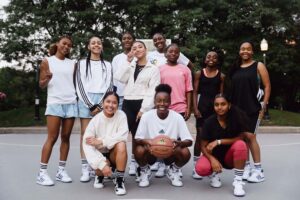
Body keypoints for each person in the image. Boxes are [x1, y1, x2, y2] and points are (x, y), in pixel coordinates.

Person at [114, 40, 160, 176]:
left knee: (138, 136)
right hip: (128, 102)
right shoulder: (131, 65)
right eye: (134, 48)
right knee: (122, 134)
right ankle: (117, 165)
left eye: (140, 47)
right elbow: (119, 77)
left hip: (143, 103)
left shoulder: (153, 68)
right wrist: (128, 61)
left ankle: (138, 164)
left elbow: (153, 90)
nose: (137, 49)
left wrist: (144, 109)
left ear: (145, 50)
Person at [36, 36, 77, 186]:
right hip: (55, 103)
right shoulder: (47, 61)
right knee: (52, 138)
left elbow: (75, 82)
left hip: (71, 103)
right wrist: (46, 78)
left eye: (69, 45)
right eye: (64, 43)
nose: (66, 46)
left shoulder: (73, 63)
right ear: (58, 44)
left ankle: (61, 171)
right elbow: (41, 85)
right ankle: (42, 173)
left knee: (65, 137)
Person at [134, 84, 193, 187]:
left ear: (170, 102)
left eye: (165, 101)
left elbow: (189, 141)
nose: (162, 104)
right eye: (159, 101)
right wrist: (146, 141)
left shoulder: (178, 117)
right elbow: (137, 139)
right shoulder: (146, 116)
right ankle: (145, 171)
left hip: (170, 152)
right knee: (139, 150)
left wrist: (179, 143)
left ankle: (173, 170)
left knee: (185, 152)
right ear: (154, 102)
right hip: (151, 151)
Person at [229, 41, 271, 183]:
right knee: (241, 138)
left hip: (252, 107)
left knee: (250, 137)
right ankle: (246, 167)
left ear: (252, 51)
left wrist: (264, 106)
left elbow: (267, 86)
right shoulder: (236, 68)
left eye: (248, 49)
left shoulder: (258, 65)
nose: (245, 51)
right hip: (237, 108)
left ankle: (258, 170)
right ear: (239, 51)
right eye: (242, 49)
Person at [74, 35, 114, 182]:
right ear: (89, 46)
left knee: (101, 135)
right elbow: (79, 85)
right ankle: (86, 167)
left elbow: (110, 85)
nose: (96, 45)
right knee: (85, 135)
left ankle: (99, 166)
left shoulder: (108, 65)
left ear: (101, 46)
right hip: (86, 100)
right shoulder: (81, 63)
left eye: (99, 42)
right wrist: (90, 105)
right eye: (93, 43)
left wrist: (102, 104)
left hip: (103, 99)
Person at [195, 94, 248, 197]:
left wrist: (219, 141)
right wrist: (212, 159)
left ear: (229, 105)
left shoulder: (236, 118)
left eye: (223, 104)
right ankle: (213, 174)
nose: (219, 107)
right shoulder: (209, 122)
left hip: (230, 157)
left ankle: (238, 182)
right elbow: (203, 146)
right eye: (216, 105)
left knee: (241, 145)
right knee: (201, 169)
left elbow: (241, 138)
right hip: (214, 156)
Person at [155, 43, 193, 177]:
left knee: (177, 139)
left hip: (179, 106)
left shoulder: (185, 70)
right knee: (161, 136)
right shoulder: (159, 69)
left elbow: (189, 90)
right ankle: (161, 163)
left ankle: (174, 166)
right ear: (165, 53)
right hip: (163, 107)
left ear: (179, 54)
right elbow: (156, 90)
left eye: (176, 52)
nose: (173, 54)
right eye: (170, 51)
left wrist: (189, 107)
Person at [82, 91, 128, 195]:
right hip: (100, 154)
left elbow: (123, 136)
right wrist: (102, 165)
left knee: (121, 144)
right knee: (100, 168)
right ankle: (100, 175)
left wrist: (101, 141)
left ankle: (119, 180)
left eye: (114, 103)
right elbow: (87, 144)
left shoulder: (121, 116)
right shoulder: (95, 120)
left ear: (117, 105)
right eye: (108, 102)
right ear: (103, 103)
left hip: (113, 153)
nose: (111, 105)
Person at [192, 51, 225, 179]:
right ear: (205, 60)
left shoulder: (221, 76)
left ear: (218, 60)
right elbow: (195, 92)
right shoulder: (199, 74)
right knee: (200, 137)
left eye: (214, 57)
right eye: (209, 56)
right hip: (202, 109)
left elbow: (221, 96)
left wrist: (221, 111)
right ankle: (196, 166)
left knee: (213, 138)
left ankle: (213, 167)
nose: (211, 59)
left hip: (215, 111)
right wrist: (195, 108)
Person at [112, 32, 135, 109]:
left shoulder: (138, 57)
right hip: (120, 95)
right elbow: (114, 79)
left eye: (129, 38)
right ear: (121, 41)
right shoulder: (116, 58)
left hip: (135, 95)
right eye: (124, 39)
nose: (127, 40)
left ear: (133, 41)